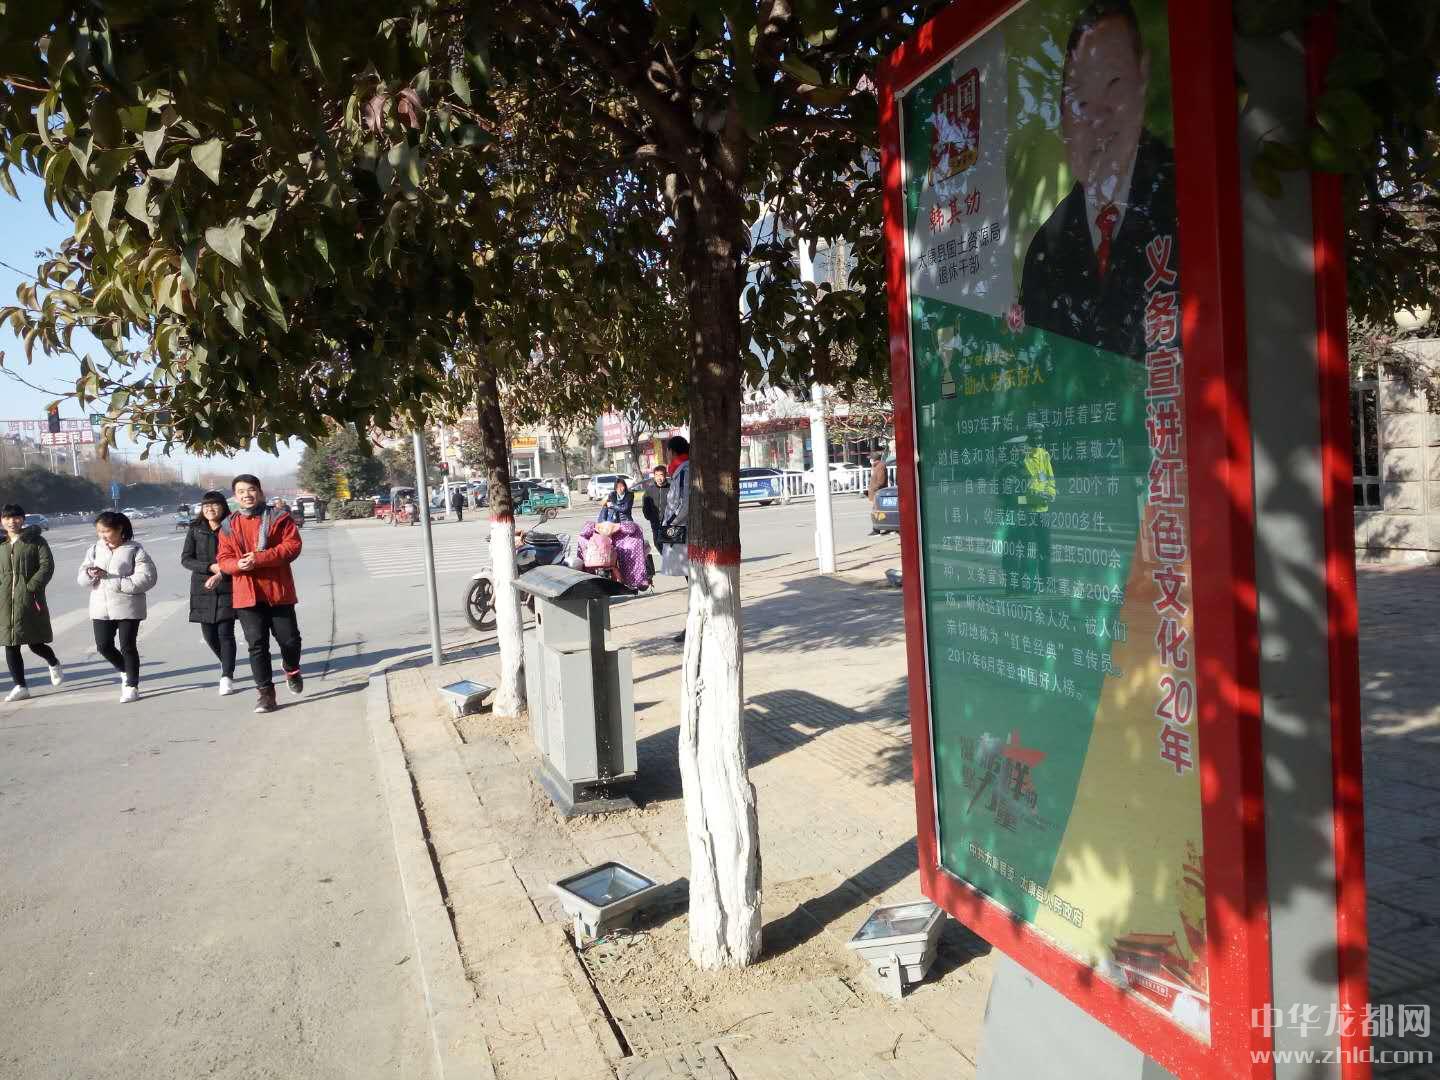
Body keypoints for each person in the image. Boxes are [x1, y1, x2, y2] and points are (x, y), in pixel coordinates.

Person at [1018, 0, 1177, 360]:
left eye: (1114, 82)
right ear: (1061, 117)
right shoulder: (1045, 249)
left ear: (1142, 77)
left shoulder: (1185, 192)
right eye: (1079, 100)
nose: (1097, 116)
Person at [217, 474, 303, 714]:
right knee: (256, 645)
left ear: (260, 492)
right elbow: (223, 559)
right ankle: (266, 694)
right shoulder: (228, 525)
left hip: (277, 591)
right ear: (235, 496)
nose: (247, 495)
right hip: (247, 594)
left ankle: (292, 669)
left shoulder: (279, 517)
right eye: (241, 491)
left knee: (289, 640)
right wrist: (237, 565)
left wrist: (259, 558)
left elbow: (292, 546)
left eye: (251, 489)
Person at [79, 511, 157, 703]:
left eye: (106, 531)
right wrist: (90, 575)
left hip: (128, 606)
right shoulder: (94, 549)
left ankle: (132, 686)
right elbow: (82, 575)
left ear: (119, 529)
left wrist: (112, 579)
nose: (102, 535)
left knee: (127, 646)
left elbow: (147, 578)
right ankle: (125, 670)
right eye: (99, 531)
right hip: (101, 606)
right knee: (103, 646)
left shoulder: (135, 550)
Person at [1, 503, 62, 702]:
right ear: (2, 520)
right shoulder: (1, 544)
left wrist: (31, 586)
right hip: (4, 601)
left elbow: (47, 566)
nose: (12, 521)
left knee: (35, 643)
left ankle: (53, 662)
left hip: (29, 598)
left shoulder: (36, 541)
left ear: (23, 519)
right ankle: (20, 686)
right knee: (10, 643)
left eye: (16, 517)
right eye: (7, 518)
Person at [181, 491, 239, 696]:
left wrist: (222, 571)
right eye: (206, 506)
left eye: (214, 505)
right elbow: (186, 559)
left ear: (223, 507)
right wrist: (208, 567)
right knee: (209, 636)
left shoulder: (232, 527)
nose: (210, 509)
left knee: (225, 633)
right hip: (202, 588)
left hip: (228, 586)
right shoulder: (195, 529)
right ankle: (227, 662)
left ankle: (227, 676)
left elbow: (238, 556)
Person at [659, 436, 691, 642]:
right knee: (691, 581)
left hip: (683, 531)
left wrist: (669, 523)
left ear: (672, 451)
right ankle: (692, 626)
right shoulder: (679, 470)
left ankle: (693, 627)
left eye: (667, 451)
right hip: (681, 529)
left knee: (693, 581)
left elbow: (683, 503)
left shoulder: (684, 470)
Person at [640, 465, 668, 552]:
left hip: (668, 522)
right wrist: (649, 517)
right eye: (656, 475)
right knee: (657, 543)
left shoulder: (671, 488)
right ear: (654, 476)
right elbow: (645, 505)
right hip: (655, 522)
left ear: (665, 475)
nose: (659, 478)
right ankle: (664, 557)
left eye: (661, 475)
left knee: (668, 544)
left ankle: (667, 559)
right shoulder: (649, 490)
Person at [867, 453, 889, 534]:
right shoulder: (876, 466)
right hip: (876, 493)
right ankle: (882, 528)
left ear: (873, 459)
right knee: (879, 511)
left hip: (878, 493)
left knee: (876, 511)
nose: (870, 460)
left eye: (870, 459)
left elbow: (881, 481)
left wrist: (874, 488)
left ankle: (876, 529)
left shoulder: (880, 466)